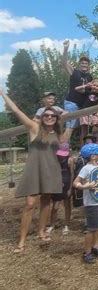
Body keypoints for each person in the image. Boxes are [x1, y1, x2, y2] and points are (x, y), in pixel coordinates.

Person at [0, 89, 63, 254]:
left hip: (51, 170)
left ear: (56, 118)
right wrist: (2, 94)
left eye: (53, 116)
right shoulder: (34, 127)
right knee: (29, 204)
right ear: (42, 117)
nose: (49, 117)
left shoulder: (57, 132)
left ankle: (41, 231)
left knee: (46, 201)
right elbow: (16, 111)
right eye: (46, 115)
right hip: (34, 170)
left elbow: (62, 150)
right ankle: (21, 240)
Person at [72, 143, 98, 264]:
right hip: (92, 204)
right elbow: (75, 183)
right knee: (91, 229)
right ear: (93, 156)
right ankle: (87, 252)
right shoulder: (86, 168)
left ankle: (96, 246)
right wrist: (85, 186)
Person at [62, 39, 93, 141]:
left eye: (86, 63)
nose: (84, 65)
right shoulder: (74, 72)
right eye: (82, 63)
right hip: (72, 103)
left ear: (88, 66)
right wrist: (66, 49)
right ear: (80, 64)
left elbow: (91, 92)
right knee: (70, 128)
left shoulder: (89, 77)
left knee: (83, 128)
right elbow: (64, 63)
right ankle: (63, 152)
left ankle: (83, 151)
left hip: (82, 105)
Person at [46, 141, 74, 235]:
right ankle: (52, 225)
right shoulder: (55, 159)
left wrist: (70, 188)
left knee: (67, 205)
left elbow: (72, 175)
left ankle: (67, 225)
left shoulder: (70, 160)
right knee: (55, 206)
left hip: (66, 183)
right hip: (57, 184)